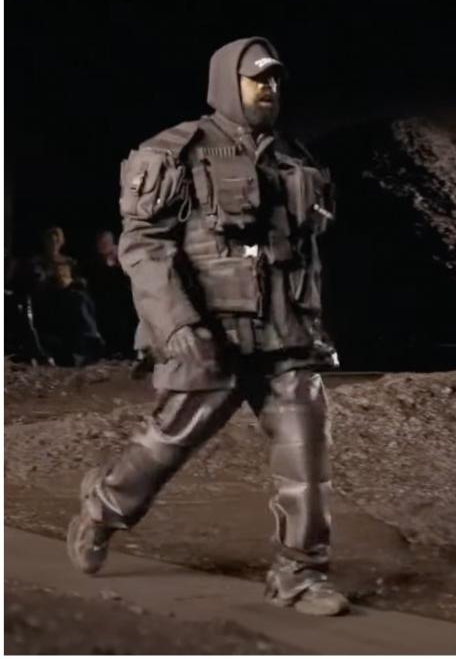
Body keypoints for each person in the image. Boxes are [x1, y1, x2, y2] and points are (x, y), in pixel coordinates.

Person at [66, 37, 348, 616]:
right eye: (256, 78)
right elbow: (143, 247)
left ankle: (300, 574)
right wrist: (176, 328)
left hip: (284, 339)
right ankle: (102, 508)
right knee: (167, 445)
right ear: (228, 82)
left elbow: (305, 254)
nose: (268, 88)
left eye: (274, 79)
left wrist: (313, 326)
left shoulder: (298, 158)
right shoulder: (175, 152)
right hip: (210, 337)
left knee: (307, 460)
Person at [32, 260, 104, 366]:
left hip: (78, 345)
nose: (61, 277)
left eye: (64, 274)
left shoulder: (78, 297)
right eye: (57, 274)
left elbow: (88, 327)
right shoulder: (44, 296)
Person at [86, 230, 138, 358]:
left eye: (106, 241)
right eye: (100, 242)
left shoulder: (120, 253)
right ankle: (112, 348)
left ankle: (130, 349)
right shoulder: (94, 260)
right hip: (103, 297)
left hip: (123, 294)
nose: (103, 245)